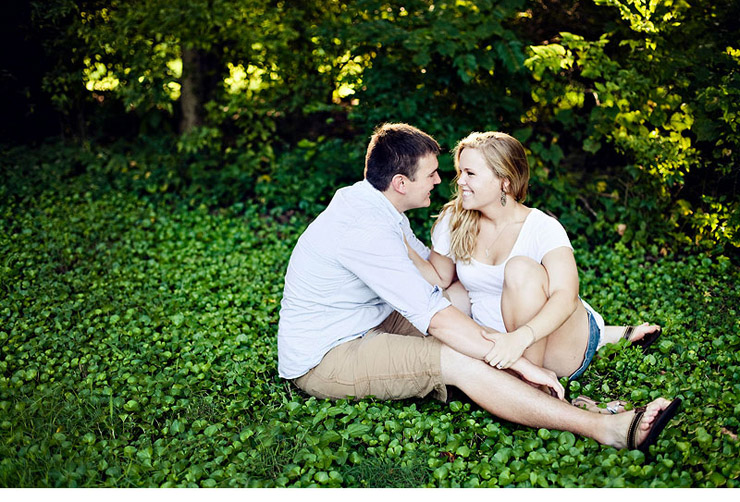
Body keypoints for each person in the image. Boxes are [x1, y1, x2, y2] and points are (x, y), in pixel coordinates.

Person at [277, 123, 680, 453]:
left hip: (371, 322)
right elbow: (435, 316)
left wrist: (510, 345)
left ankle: (531, 377)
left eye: (458, 172)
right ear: (400, 182)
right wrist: (521, 362)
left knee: (459, 312)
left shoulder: (382, 209)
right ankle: (601, 427)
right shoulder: (366, 228)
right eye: (432, 173)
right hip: (327, 356)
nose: (443, 180)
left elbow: (438, 288)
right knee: (458, 357)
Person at [407, 130, 662, 389]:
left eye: (470, 174)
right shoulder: (456, 219)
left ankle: (546, 381)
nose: (460, 181)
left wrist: (520, 338)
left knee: (520, 269)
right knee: (453, 293)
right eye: (460, 172)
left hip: (552, 344)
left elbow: (565, 296)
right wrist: (398, 240)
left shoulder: (542, 227)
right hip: (498, 340)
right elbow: (438, 277)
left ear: (504, 182)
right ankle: (607, 335)